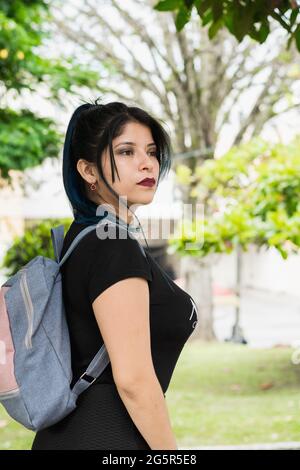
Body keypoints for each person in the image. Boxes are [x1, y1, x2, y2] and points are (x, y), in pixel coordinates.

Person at [31, 98, 198, 450]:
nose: (146, 163)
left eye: (151, 151)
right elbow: (134, 381)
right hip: (107, 434)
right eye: (126, 152)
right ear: (88, 171)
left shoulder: (83, 237)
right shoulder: (114, 247)